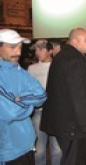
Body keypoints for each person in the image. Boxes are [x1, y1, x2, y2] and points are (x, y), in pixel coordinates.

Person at [40, 28, 86, 165]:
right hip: (73, 126)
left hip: (66, 124)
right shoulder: (74, 60)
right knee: (75, 161)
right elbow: (79, 97)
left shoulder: (63, 56)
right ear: (74, 40)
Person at [0, 29, 47, 164]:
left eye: (20, 47)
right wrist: (29, 103)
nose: (18, 52)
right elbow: (11, 112)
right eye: (12, 47)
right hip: (9, 150)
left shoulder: (17, 69)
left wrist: (19, 99)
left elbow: (41, 95)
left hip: (27, 144)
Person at [28, 39, 62, 165]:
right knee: (39, 150)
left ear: (50, 51)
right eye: (36, 49)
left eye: (41, 49)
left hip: (56, 112)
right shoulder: (32, 69)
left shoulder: (59, 67)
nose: (37, 52)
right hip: (39, 112)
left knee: (57, 149)